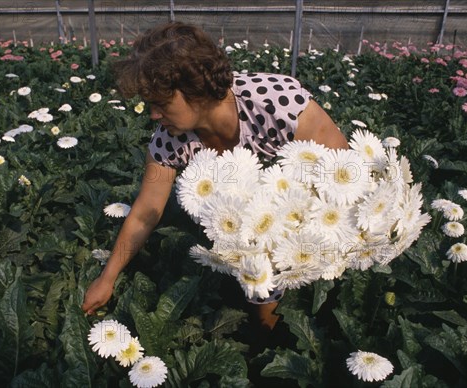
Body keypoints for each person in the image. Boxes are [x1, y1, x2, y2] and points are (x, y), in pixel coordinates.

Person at [82, 22, 348, 333]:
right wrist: (107, 278)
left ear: (197, 89)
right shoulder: (169, 140)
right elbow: (144, 215)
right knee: (266, 323)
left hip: (318, 225)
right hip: (250, 246)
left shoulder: (277, 104)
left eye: (162, 104)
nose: (153, 114)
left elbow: (342, 166)